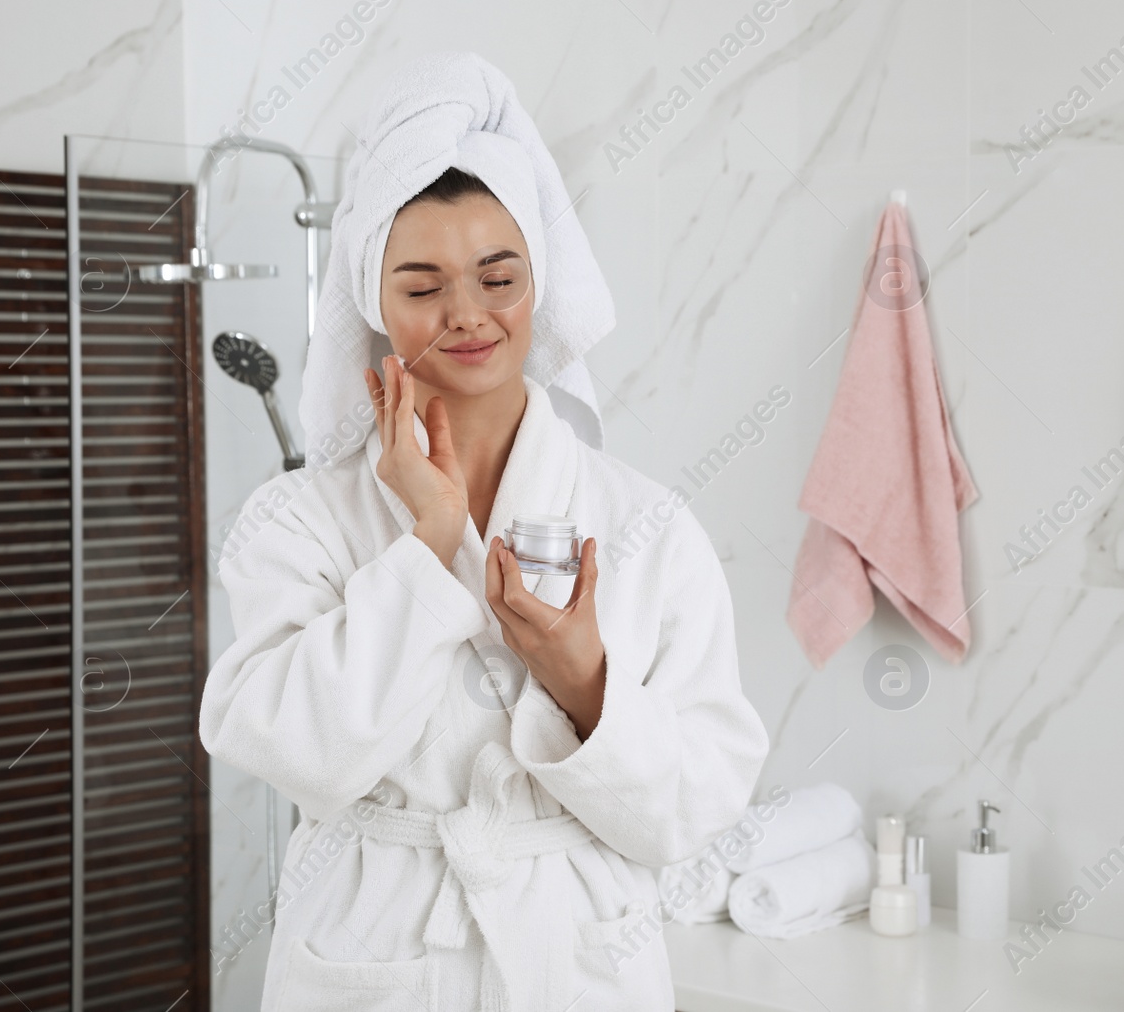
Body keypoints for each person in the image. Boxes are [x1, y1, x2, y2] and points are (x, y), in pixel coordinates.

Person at [199, 52, 770, 1011]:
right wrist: (425, 547)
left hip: (578, 961)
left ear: (536, 285)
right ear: (372, 304)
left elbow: (699, 806)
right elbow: (292, 751)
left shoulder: (646, 525)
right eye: (422, 287)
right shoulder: (299, 521)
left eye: (496, 276)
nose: (466, 314)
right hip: (372, 954)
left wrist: (586, 682)